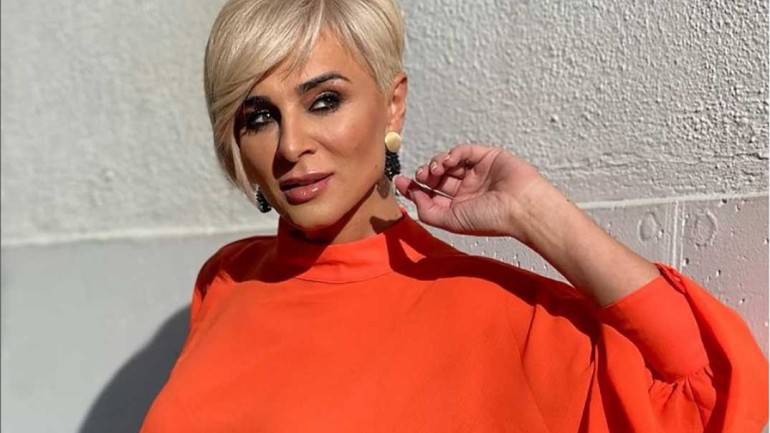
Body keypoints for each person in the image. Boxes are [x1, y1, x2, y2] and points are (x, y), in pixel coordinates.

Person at [140, 0, 768, 431]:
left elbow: (707, 391)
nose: (291, 145)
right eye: (259, 116)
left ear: (392, 105)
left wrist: (536, 213)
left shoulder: (499, 317)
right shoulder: (226, 279)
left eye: (324, 100)